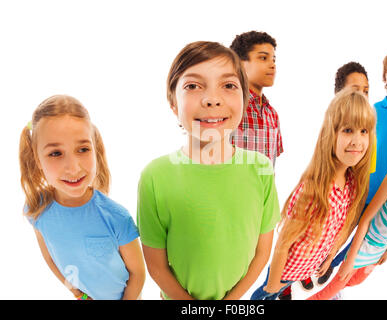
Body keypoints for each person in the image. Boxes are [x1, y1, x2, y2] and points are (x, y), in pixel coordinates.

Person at [137, 41, 280, 300]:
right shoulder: (154, 177)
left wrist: (230, 301)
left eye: (228, 86)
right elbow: (156, 266)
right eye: (193, 86)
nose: (212, 99)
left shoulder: (261, 169)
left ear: (245, 98)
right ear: (173, 104)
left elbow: (262, 253)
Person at [308, 87, 387, 300]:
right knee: (322, 295)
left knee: (355, 281)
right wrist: (350, 260)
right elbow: (366, 219)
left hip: (378, 250)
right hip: (363, 247)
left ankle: (335, 289)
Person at [250, 88, 375, 300]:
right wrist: (272, 286)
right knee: (262, 296)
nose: (357, 141)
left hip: (304, 269)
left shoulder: (351, 183)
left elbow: (337, 229)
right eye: (347, 130)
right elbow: (283, 245)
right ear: (331, 134)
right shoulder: (313, 191)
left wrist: (329, 258)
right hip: (282, 273)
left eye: (364, 131)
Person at [19, 95, 145, 300]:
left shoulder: (117, 216)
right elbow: (51, 258)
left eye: (83, 149)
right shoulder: (36, 209)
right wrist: (77, 293)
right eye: (55, 153)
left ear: (96, 151)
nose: (73, 167)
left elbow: (138, 274)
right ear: (37, 160)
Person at [316, 55, 387, 288]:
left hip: (385, 197)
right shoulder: (372, 111)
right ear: (384, 80)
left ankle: (334, 278)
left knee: (358, 245)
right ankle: (321, 269)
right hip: (360, 189)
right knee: (341, 233)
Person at [288, 62, 374, 297]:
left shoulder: (368, 127)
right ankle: (304, 270)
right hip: (328, 192)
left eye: (366, 91)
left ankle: (327, 263)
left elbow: (367, 166)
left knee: (340, 232)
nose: (362, 96)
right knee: (316, 227)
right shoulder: (334, 125)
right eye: (355, 90)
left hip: (354, 194)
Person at [230, 31, 283, 166]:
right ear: (240, 64)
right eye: (263, 58)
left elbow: (272, 164)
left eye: (274, 59)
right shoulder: (229, 107)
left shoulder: (272, 114)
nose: (273, 65)